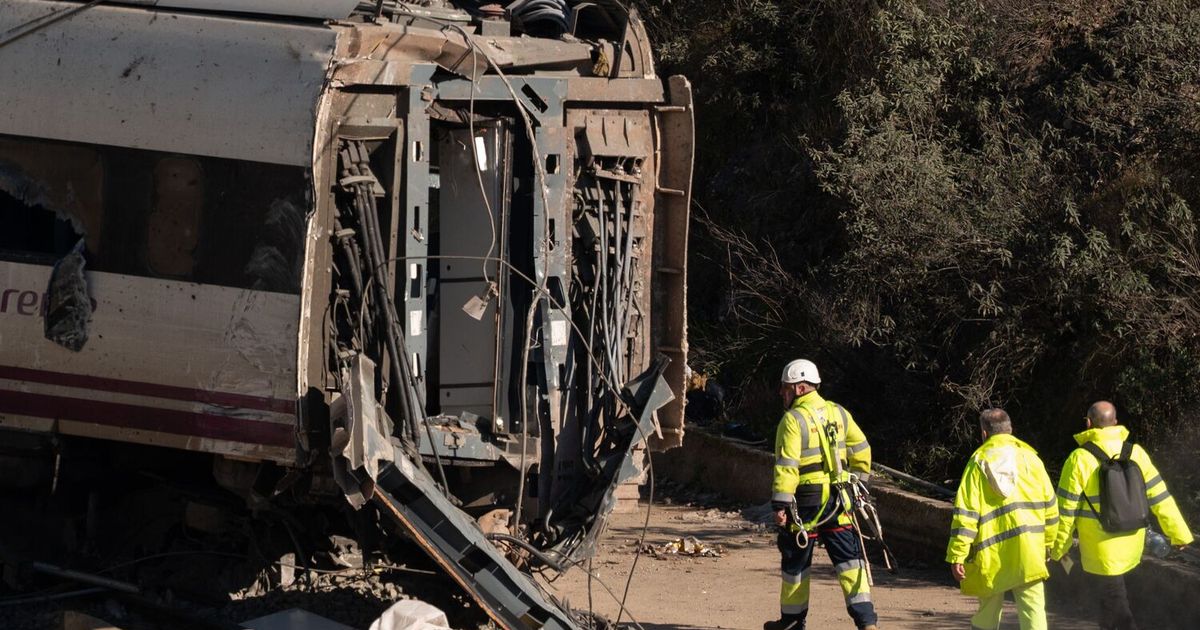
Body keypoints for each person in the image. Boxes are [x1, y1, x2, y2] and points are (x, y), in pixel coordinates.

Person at [1050, 401, 1194, 630]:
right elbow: (1160, 496)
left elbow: (1066, 510)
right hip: (1132, 539)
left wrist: (1058, 548)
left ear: (1088, 423)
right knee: (1109, 603)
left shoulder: (1079, 458)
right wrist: (1179, 534)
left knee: (1115, 606)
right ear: (1115, 422)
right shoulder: (1136, 452)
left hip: (1100, 548)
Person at [764, 359, 879, 630]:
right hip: (840, 501)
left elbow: (787, 465)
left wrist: (780, 504)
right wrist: (860, 485)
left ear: (800, 388)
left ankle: (792, 623)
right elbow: (862, 449)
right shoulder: (838, 412)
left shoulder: (792, 420)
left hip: (806, 504)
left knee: (796, 565)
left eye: (786, 387)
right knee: (850, 562)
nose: (782, 392)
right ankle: (867, 622)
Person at [946, 408, 1058, 630]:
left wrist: (957, 554)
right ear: (1011, 430)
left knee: (987, 612)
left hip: (991, 554)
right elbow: (1051, 507)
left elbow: (966, 514)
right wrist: (1049, 544)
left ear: (984, 434)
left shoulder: (977, 463)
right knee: (1033, 610)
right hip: (1029, 549)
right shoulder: (1032, 460)